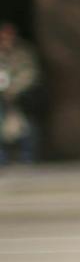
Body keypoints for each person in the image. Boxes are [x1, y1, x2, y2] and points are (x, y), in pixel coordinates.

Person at [0, 22, 40, 165]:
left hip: (21, 96)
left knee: (26, 126)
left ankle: (27, 157)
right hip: (1, 97)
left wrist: (14, 89)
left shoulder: (23, 52)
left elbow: (30, 73)